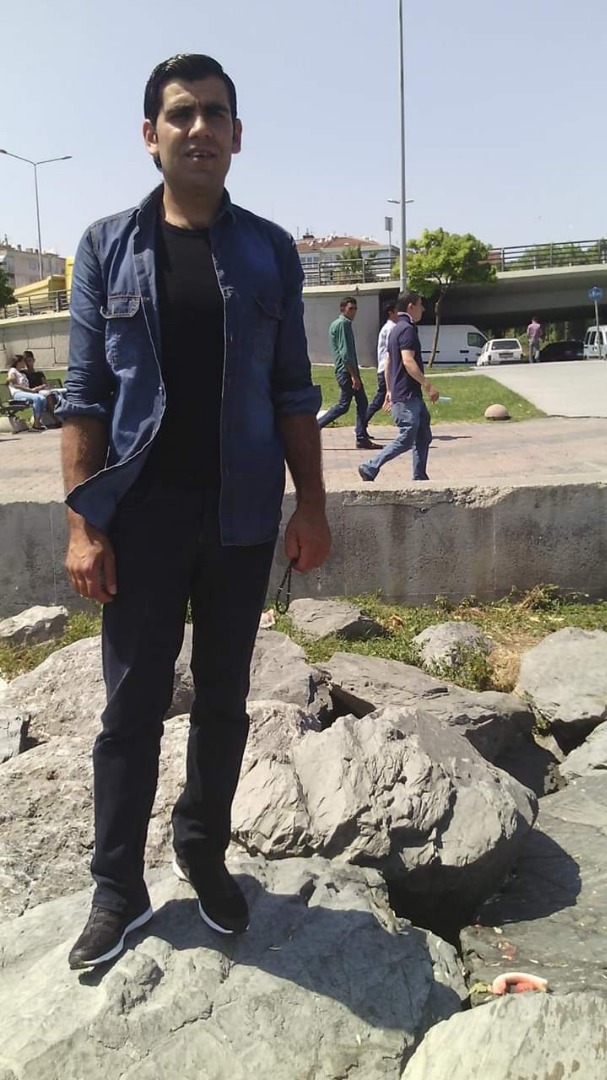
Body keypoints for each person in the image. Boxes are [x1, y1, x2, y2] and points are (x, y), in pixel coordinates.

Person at [59, 52, 331, 970]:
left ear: (237, 135)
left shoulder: (270, 251)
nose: (199, 128)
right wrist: (83, 525)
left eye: (215, 113)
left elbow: (293, 390)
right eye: (180, 114)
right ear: (151, 135)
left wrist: (312, 506)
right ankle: (116, 888)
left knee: (223, 700)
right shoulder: (105, 247)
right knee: (129, 708)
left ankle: (201, 851)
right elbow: (84, 398)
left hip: (241, 516)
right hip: (139, 520)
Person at [358, 290, 439, 483]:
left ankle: (420, 476)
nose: (423, 309)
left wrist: (389, 389)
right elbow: (408, 361)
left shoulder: (395, 329)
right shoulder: (407, 329)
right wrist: (428, 385)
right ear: (411, 306)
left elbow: (388, 362)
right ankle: (370, 466)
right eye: (420, 304)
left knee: (423, 434)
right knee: (407, 437)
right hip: (407, 395)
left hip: (407, 394)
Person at [318, 297, 380, 450]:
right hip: (346, 372)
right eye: (351, 308)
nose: (354, 312)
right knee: (344, 405)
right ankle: (315, 427)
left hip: (347, 371)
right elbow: (345, 354)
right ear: (342, 309)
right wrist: (354, 376)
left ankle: (361, 437)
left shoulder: (339, 324)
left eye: (355, 308)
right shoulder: (343, 324)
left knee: (362, 403)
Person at [366, 300, 398, 424]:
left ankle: (361, 424)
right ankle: (361, 423)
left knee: (383, 399)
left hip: (386, 368)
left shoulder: (389, 327)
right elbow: (392, 350)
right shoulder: (391, 328)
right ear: (391, 312)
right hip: (386, 369)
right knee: (379, 400)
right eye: (397, 310)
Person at [6, 355, 47, 430]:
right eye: (23, 361)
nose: (25, 363)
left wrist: (33, 389)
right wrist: (31, 390)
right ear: (18, 363)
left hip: (26, 393)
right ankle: (37, 424)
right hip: (17, 394)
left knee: (43, 399)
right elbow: (15, 385)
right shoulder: (13, 371)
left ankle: (37, 421)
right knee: (37, 398)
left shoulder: (22, 373)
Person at [23, 350, 65, 419]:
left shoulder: (39, 373)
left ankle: (66, 416)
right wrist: (41, 387)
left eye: (30, 360)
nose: (28, 363)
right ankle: (56, 418)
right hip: (34, 393)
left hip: (43, 391)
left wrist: (44, 387)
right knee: (48, 396)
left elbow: (45, 384)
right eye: (26, 361)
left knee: (62, 392)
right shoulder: (24, 374)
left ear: (34, 360)